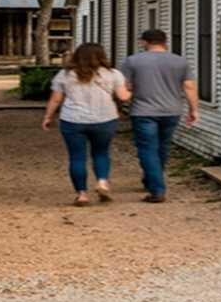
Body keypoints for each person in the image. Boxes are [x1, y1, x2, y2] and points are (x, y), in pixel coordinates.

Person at [41, 43, 130, 206]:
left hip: (73, 120)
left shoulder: (65, 74)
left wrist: (48, 116)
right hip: (105, 119)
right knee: (101, 153)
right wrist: (133, 90)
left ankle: (81, 194)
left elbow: (56, 99)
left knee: (77, 157)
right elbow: (123, 97)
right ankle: (102, 182)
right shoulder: (113, 74)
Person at [119, 29, 198, 203]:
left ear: (145, 42)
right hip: (172, 110)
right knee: (162, 148)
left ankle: (157, 189)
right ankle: (151, 180)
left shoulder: (132, 61)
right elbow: (189, 87)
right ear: (165, 41)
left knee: (147, 149)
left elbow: (124, 87)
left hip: (143, 111)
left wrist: (120, 104)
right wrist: (194, 110)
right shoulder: (180, 61)